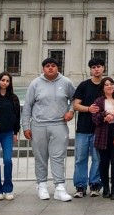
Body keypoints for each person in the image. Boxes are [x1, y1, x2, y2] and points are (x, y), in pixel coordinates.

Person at [22, 57, 76, 202]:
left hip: (59, 124)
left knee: (58, 157)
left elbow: (75, 99)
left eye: (53, 65)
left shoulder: (66, 82)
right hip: (38, 125)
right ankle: (42, 185)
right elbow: (27, 106)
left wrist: (71, 111)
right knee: (40, 157)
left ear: (58, 68)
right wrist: (26, 126)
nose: (50, 68)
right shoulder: (35, 83)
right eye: (47, 66)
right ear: (43, 69)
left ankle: (60, 187)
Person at [72, 58, 105, 198]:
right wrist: (88, 109)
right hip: (83, 129)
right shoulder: (84, 85)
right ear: (90, 70)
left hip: (100, 129)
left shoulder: (107, 85)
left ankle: (95, 185)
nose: (96, 69)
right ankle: (80, 186)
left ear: (103, 68)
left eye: (98, 66)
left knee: (97, 158)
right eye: (93, 67)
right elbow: (75, 105)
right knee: (80, 158)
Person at [0, 72, 21, 201]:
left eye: (7, 81)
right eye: (2, 80)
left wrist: (16, 132)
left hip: (8, 133)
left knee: (7, 160)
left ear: (10, 83)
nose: (5, 83)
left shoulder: (13, 98)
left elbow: (17, 116)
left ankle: (8, 189)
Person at [92, 77, 114, 200]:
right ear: (103, 88)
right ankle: (105, 187)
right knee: (104, 162)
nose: (109, 86)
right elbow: (94, 118)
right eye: (106, 85)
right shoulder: (99, 101)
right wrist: (105, 115)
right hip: (103, 133)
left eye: (111, 84)